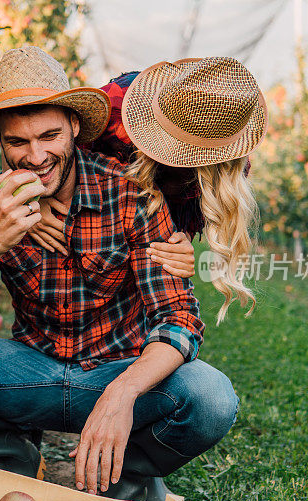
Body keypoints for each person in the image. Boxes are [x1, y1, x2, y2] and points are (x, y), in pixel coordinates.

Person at [0, 46, 245, 501]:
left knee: (210, 397)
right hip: (30, 371)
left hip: (118, 368)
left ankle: (127, 472)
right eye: (17, 142)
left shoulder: (130, 193)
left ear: (75, 128)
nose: (35, 156)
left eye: (50, 135)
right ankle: (8, 454)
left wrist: (122, 393)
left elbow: (179, 320)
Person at [29, 58, 266, 323]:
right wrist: (38, 195)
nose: (177, 157)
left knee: (147, 297)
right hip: (91, 206)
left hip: (146, 224)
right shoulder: (115, 107)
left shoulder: (226, 172)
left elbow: (182, 218)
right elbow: (32, 137)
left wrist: (176, 242)